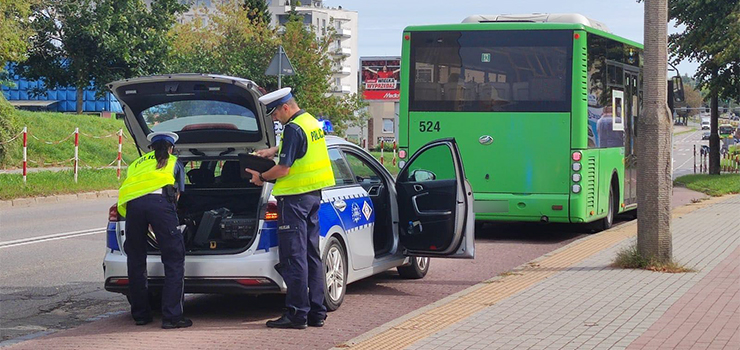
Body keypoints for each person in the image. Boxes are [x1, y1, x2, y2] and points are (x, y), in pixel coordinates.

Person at [245, 87, 335, 329]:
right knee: (312, 256)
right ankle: (317, 312)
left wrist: (261, 177)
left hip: (294, 200)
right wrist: (273, 150)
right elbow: (301, 150)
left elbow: (283, 169)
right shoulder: (310, 122)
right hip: (313, 196)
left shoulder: (293, 128)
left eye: (274, 114)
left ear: (285, 107)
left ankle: (296, 314)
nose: (274, 119)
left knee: (294, 258)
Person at [117, 131, 191, 329]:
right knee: (174, 258)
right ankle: (172, 317)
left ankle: (141, 315)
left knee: (136, 259)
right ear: (170, 147)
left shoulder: (137, 164)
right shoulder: (173, 160)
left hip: (133, 208)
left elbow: (134, 188)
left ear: (150, 148)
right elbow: (178, 194)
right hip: (160, 205)